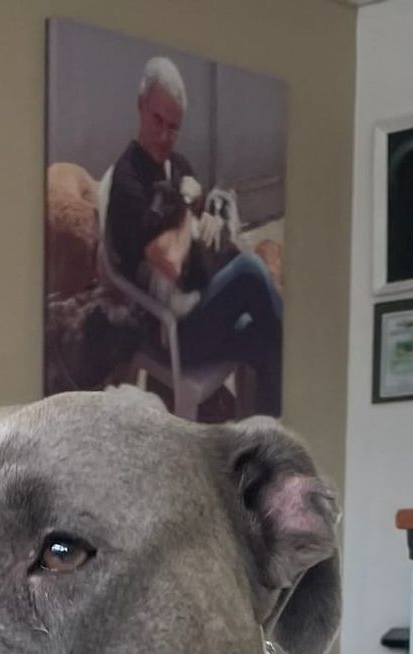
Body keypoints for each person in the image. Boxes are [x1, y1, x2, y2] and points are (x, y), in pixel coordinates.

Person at [102, 54, 283, 415]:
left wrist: (212, 217)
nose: (165, 135)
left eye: (174, 126)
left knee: (265, 340)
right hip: (169, 333)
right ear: (140, 107)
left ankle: (264, 449)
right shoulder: (129, 181)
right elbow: (169, 260)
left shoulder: (178, 164)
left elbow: (201, 226)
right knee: (250, 272)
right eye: (157, 120)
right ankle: (307, 366)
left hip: (201, 304)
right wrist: (188, 206)